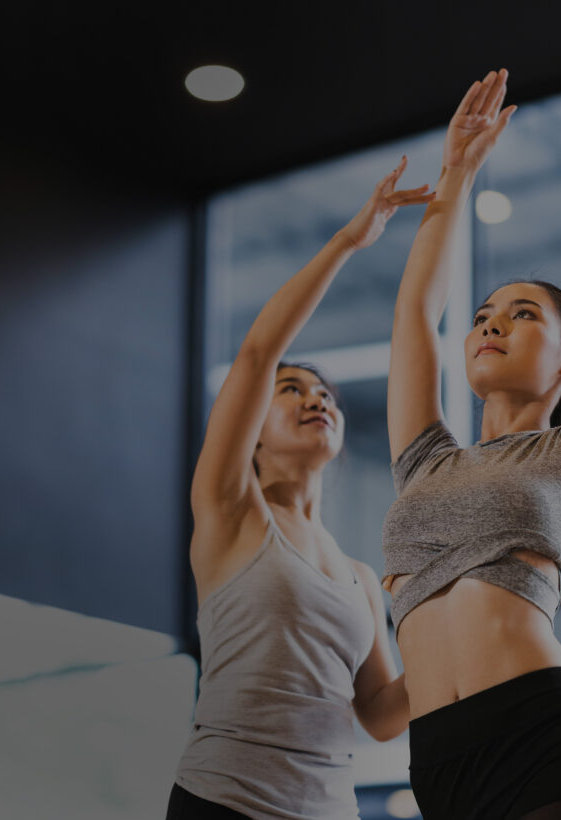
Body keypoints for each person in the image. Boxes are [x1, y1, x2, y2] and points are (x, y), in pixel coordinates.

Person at [383, 63, 561, 819]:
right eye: (486, 313)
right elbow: (411, 316)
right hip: (439, 759)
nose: (491, 322)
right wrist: (456, 171)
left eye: (523, 314)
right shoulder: (425, 460)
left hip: (543, 739)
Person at [166, 160, 435, 820]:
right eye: (293, 391)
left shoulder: (361, 579)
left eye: (324, 394)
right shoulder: (230, 508)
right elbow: (259, 351)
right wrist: (350, 240)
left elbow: (379, 714)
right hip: (223, 802)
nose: (316, 398)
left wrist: (454, 630)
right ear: (250, 432)